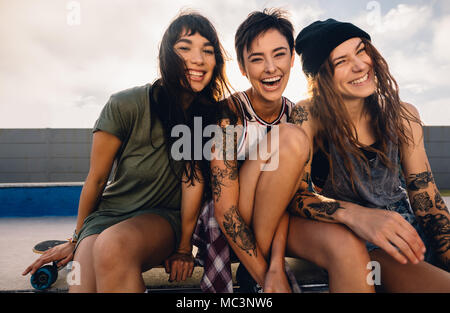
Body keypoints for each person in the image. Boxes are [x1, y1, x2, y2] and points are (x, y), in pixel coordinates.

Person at [22, 11, 232, 292]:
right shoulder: (125, 104)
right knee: (83, 283)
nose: (198, 59)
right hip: (107, 216)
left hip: (161, 219)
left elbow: (193, 182)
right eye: (185, 48)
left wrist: (183, 248)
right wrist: (76, 239)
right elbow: (96, 179)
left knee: (113, 246)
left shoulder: (209, 117)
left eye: (208, 51)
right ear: (166, 55)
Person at [193, 9, 375, 293]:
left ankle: (257, 273)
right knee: (290, 137)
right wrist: (267, 276)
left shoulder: (295, 113)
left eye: (279, 55)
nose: (270, 68)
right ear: (242, 66)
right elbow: (225, 208)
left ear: (292, 59)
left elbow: (287, 201)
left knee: (346, 244)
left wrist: (276, 264)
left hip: (278, 220)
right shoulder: (228, 115)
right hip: (234, 215)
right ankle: (253, 276)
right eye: (256, 59)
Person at [289, 18, 450, 292]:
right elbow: (297, 196)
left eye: (362, 50)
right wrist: (357, 216)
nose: (360, 65)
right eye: (341, 62)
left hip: (408, 231)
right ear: (320, 77)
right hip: (364, 242)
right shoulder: (308, 115)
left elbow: (426, 199)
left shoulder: (403, 114)